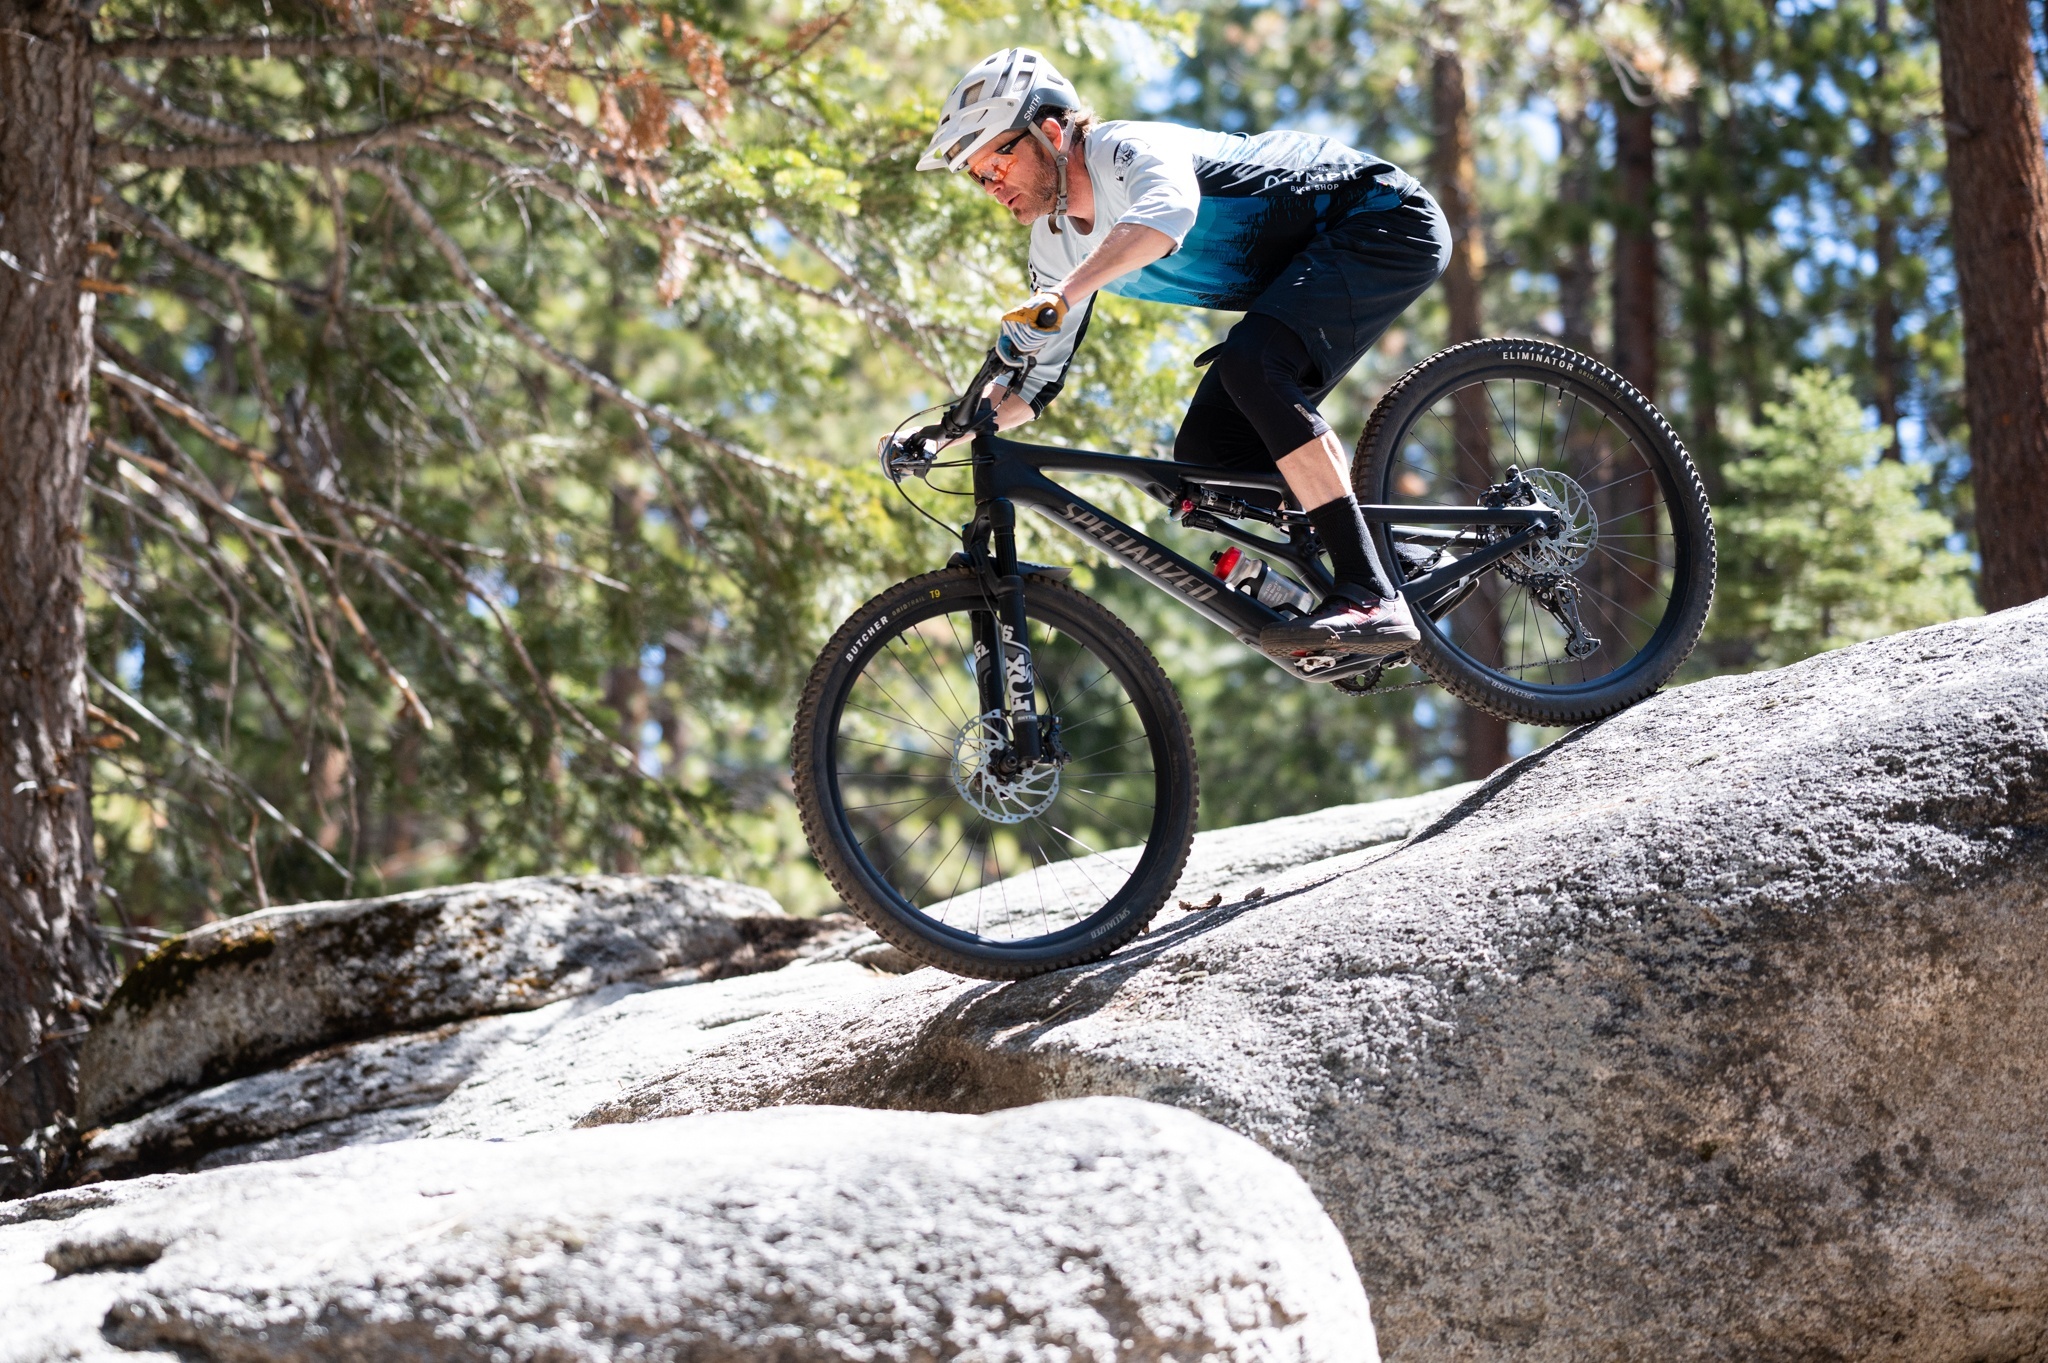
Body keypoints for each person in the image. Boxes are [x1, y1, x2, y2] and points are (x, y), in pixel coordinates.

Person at [915, 48, 1451, 656]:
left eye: (996, 162)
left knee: (1254, 366)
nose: (990, 186)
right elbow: (1031, 385)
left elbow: (1166, 214)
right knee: (1210, 458)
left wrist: (1063, 295)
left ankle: (1369, 596)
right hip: (1305, 269)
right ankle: (1403, 560)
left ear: (1051, 133)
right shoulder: (1054, 242)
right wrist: (940, 434)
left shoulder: (1125, 149)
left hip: (1382, 218)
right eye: (977, 176)